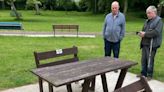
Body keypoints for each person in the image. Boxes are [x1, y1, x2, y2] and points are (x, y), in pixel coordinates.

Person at [137, 6, 163, 80]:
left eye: (149, 13)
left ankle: (149, 75)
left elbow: (156, 32)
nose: (147, 14)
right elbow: (144, 30)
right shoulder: (147, 21)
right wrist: (141, 33)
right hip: (145, 43)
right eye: (147, 13)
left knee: (150, 60)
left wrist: (145, 34)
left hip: (152, 45)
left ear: (154, 12)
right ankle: (143, 74)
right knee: (143, 60)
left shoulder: (159, 21)